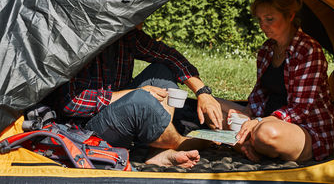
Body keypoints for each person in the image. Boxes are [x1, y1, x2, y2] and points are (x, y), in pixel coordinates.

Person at [49, 23, 223, 168]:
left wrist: (202, 92)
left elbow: (170, 57)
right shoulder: (77, 41)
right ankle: (184, 142)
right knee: (140, 101)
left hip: (120, 113)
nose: (142, 23)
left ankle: (158, 151)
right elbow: (70, 103)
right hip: (86, 129)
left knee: (161, 71)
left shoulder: (127, 36)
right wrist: (133, 93)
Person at [214, 0, 334, 162]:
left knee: (265, 134)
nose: (263, 26)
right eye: (260, 20)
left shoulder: (308, 50)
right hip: (265, 117)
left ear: (290, 16)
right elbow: (260, 93)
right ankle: (248, 145)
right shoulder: (266, 50)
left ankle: (246, 143)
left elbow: (300, 110)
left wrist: (258, 122)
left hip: (303, 128)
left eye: (269, 19)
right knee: (213, 107)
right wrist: (247, 113)